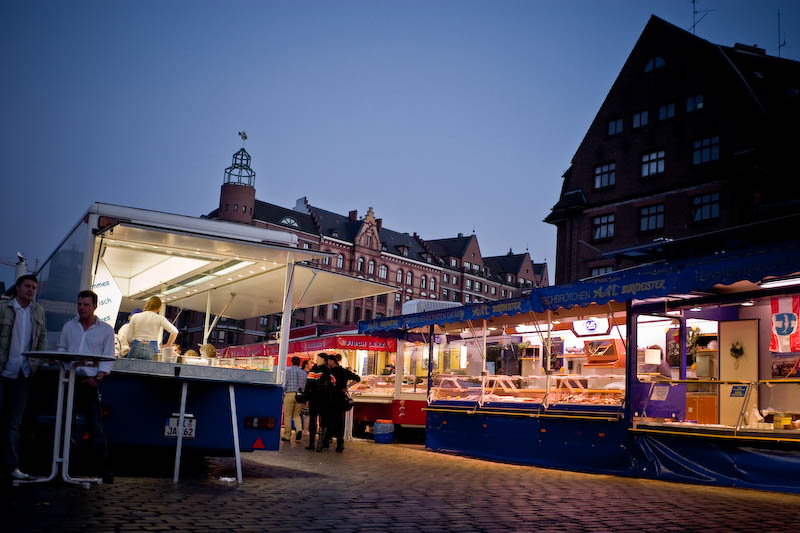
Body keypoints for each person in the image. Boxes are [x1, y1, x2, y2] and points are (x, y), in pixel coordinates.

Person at [57, 289, 115, 483]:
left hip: (90, 383)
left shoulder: (105, 330)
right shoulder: (69, 327)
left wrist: (97, 378)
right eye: (79, 304)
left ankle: (103, 469)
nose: (81, 308)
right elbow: (61, 350)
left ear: (95, 307)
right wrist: (68, 369)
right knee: (67, 424)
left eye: (86, 305)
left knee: (96, 426)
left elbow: (108, 358)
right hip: (70, 380)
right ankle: (66, 466)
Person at [0, 274, 47, 481]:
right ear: (18, 288)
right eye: (27, 286)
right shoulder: (4, 308)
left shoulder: (38, 311)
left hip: (24, 373)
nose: (31, 290)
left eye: (34, 287)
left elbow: (42, 338)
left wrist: (35, 364)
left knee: (14, 423)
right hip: (3, 370)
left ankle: (11, 466)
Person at [321, 353, 360, 453]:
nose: (328, 362)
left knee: (329, 420)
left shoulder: (329, 371)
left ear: (332, 361)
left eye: (329, 360)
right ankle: (340, 444)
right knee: (339, 421)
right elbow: (357, 378)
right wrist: (348, 386)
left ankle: (326, 442)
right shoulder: (344, 370)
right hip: (341, 399)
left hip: (331, 398)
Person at [305, 353, 331, 450]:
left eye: (318, 359)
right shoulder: (329, 371)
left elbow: (308, 385)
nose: (317, 360)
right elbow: (333, 385)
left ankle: (311, 443)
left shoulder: (314, 370)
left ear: (323, 360)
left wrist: (306, 397)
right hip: (326, 400)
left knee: (313, 420)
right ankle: (320, 445)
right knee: (323, 421)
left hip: (314, 399)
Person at [281, 356, 307, 443]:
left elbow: (284, 384)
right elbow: (305, 386)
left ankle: (287, 436)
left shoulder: (287, 372)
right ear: (299, 363)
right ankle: (299, 430)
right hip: (299, 396)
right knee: (296, 415)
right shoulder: (304, 373)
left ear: (291, 362)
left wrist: (283, 394)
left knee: (288, 416)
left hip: (289, 394)